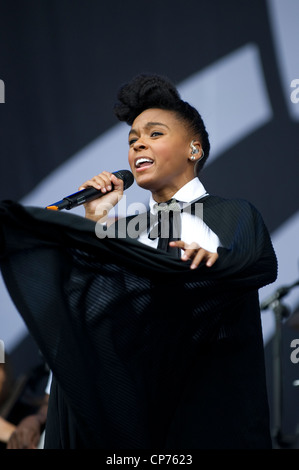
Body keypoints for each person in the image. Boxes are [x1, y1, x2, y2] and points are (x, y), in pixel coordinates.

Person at [0, 74, 277, 449]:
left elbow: (257, 263)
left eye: (154, 134)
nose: (138, 144)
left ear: (194, 149)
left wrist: (215, 262)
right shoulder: (124, 231)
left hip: (208, 419)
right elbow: (88, 314)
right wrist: (95, 223)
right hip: (137, 428)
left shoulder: (230, 214)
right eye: (132, 140)